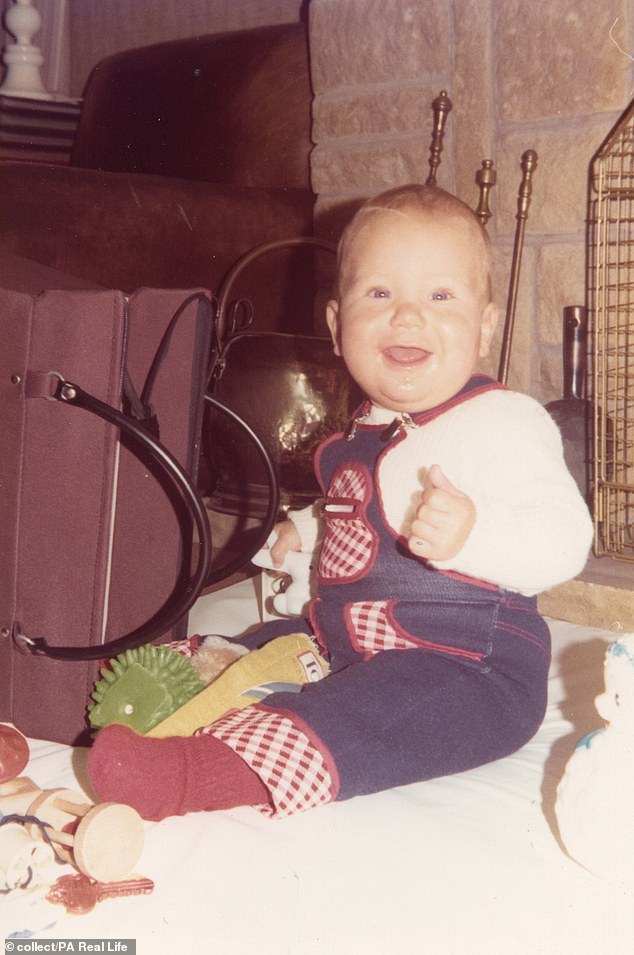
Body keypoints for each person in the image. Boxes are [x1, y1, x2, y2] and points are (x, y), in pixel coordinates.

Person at [88, 184, 593, 820]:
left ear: (486, 326)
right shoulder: (366, 428)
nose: (407, 316)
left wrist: (476, 533)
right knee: (254, 644)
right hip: (346, 641)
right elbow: (359, 509)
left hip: (469, 667)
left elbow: (566, 537)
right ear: (336, 326)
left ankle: (199, 774)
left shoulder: (501, 422)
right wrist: (304, 529)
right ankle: (152, 688)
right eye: (380, 294)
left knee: (370, 714)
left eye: (440, 296)